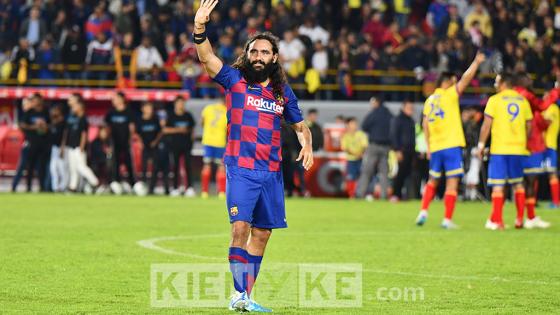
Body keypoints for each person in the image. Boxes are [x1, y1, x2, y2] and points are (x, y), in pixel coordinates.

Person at [193, 1, 313, 311]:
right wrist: (199, 28)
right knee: (240, 228)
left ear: (274, 57)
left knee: (262, 234)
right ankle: (239, 295)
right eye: (254, 51)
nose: (258, 57)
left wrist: (307, 143)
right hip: (241, 168)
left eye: (264, 52)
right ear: (247, 54)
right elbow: (206, 57)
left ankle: (243, 296)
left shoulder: (282, 92)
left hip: (271, 173)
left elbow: (301, 126)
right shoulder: (234, 80)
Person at [415, 52, 485, 229]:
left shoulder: (429, 101)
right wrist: (476, 62)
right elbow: (467, 79)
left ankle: (423, 211)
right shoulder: (450, 95)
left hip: (437, 147)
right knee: (452, 182)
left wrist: (429, 147)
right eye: (453, 80)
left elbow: (425, 125)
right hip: (451, 145)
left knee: (433, 180)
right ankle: (447, 219)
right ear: (447, 82)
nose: (455, 82)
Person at [476, 73, 548, 230]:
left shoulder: (494, 100)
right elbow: (529, 125)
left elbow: (486, 125)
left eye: (496, 82)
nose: (495, 85)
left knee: (498, 185)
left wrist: (481, 145)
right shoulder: (522, 101)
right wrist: (523, 140)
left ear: (503, 83)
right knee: (518, 184)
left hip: (500, 149)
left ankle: (499, 222)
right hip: (518, 148)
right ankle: (519, 220)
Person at [356, 96, 393, 199]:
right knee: (384, 172)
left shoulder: (374, 113)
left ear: (377, 102)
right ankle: (384, 195)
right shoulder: (389, 114)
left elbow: (364, 126)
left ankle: (360, 193)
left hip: (374, 145)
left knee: (367, 170)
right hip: (386, 146)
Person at [64, 94, 99, 192]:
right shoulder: (72, 117)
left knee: (81, 167)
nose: (73, 108)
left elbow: (84, 134)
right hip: (71, 146)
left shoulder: (83, 119)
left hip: (79, 147)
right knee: (73, 168)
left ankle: (95, 182)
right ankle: (73, 187)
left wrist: (82, 147)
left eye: (75, 106)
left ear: (80, 107)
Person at [164, 96, 196, 197]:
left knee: (188, 166)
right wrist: (178, 130)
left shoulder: (188, 116)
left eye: (182, 103)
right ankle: (175, 188)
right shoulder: (171, 116)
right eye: (179, 103)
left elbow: (192, 130)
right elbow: (165, 130)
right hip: (174, 145)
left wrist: (192, 141)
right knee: (175, 167)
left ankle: (189, 188)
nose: (181, 105)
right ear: (175, 104)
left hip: (186, 145)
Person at [104, 92, 136, 188]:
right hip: (114, 142)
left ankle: (133, 184)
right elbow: (106, 127)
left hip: (126, 142)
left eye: (116, 98)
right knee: (115, 163)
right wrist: (107, 142)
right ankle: (115, 183)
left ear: (122, 99)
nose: (114, 101)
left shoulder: (129, 112)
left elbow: (132, 128)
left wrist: (131, 140)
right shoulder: (111, 112)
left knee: (128, 162)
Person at [20, 93, 49, 192]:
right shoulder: (29, 112)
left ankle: (42, 187)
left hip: (43, 143)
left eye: (36, 100)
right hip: (32, 143)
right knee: (30, 166)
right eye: (33, 100)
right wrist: (34, 127)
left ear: (41, 100)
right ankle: (28, 187)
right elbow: (22, 125)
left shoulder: (46, 112)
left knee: (42, 167)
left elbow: (51, 125)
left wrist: (45, 127)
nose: (35, 102)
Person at [136, 101, 166, 195]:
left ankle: (151, 188)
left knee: (155, 167)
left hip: (154, 146)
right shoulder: (139, 120)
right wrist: (140, 142)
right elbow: (136, 133)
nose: (149, 110)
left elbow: (161, 132)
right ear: (143, 109)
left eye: (150, 108)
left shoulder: (155, 119)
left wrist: (155, 142)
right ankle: (143, 187)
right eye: (147, 107)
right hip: (144, 147)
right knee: (144, 167)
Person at [200, 99, 227, 199]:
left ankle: (204, 192)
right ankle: (221, 192)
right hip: (220, 142)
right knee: (221, 167)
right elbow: (228, 128)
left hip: (208, 141)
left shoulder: (208, 108)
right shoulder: (226, 111)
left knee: (206, 165)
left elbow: (202, 122)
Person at [390, 101, 416, 201]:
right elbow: (394, 135)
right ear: (403, 108)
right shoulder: (397, 120)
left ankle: (407, 196)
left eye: (412, 108)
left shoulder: (411, 121)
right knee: (399, 174)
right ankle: (395, 195)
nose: (411, 110)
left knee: (408, 174)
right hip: (401, 151)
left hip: (410, 151)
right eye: (409, 108)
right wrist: (397, 150)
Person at [341, 117, 368, 198]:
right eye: (352, 124)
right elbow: (345, 147)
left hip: (361, 159)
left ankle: (361, 194)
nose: (354, 126)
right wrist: (355, 154)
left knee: (362, 177)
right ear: (348, 125)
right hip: (351, 160)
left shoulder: (361, 134)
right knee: (351, 178)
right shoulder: (345, 136)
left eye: (355, 124)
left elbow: (365, 146)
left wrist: (360, 154)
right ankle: (351, 195)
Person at [11, 95, 34, 192]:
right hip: (27, 143)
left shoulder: (32, 114)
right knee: (22, 166)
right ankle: (14, 186)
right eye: (23, 104)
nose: (24, 106)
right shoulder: (24, 114)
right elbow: (21, 126)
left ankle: (28, 187)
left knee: (30, 167)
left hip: (34, 144)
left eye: (26, 103)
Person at [48, 105, 68, 192]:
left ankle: (63, 186)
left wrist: (62, 147)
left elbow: (65, 136)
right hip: (54, 147)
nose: (53, 112)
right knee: (53, 168)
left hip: (61, 147)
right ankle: (55, 187)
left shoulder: (64, 122)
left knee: (62, 168)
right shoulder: (53, 122)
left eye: (55, 110)